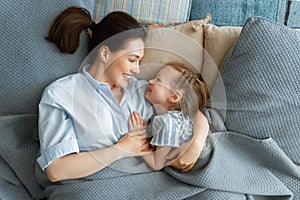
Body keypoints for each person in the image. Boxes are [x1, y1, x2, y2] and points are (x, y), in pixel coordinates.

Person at [36, 6, 209, 184]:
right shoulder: (61, 94)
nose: (138, 69)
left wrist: (198, 137)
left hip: (153, 183)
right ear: (105, 53)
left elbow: (187, 104)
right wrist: (121, 149)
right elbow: (56, 170)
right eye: (132, 60)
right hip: (97, 186)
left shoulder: (144, 90)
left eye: (140, 61)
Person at [128, 62, 210, 170]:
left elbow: (157, 164)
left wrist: (137, 136)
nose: (150, 81)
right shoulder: (180, 118)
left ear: (174, 97)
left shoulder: (167, 123)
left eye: (158, 80)